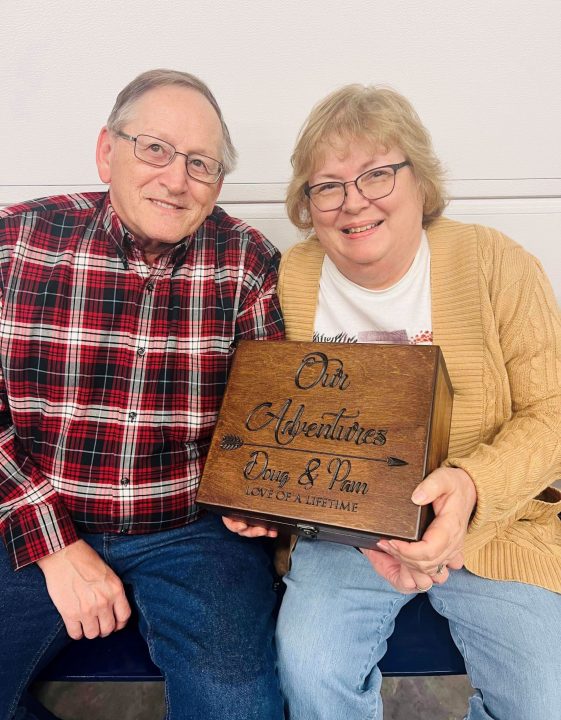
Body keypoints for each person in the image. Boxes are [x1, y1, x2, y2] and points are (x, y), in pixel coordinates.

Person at [231, 84, 561, 720]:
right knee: (310, 668)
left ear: (420, 180)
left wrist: (471, 486)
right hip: (346, 537)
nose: (354, 202)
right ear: (308, 204)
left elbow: (552, 414)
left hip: (493, 528)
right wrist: (266, 501)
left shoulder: (496, 264)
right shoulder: (288, 280)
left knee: (545, 697)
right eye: (327, 185)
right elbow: (267, 419)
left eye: (377, 174)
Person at [0, 69, 285, 720]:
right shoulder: (14, 242)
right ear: (106, 151)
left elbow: (269, 421)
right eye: (154, 148)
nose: (177, 178)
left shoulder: (248, 265)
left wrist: (265, 501)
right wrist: (53, 542)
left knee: (240, 705)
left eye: (201, 163)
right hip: (35, 511)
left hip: (192, 531)